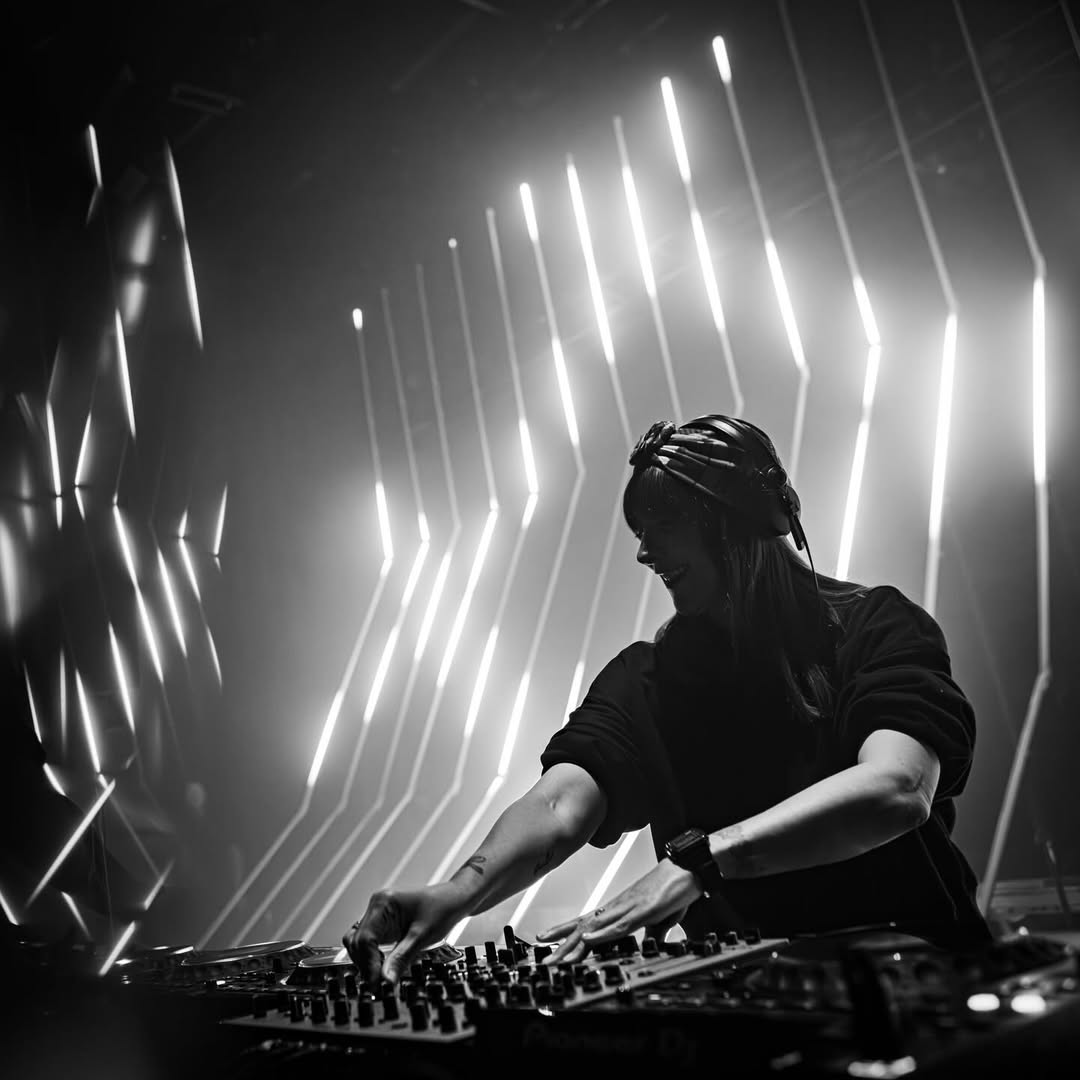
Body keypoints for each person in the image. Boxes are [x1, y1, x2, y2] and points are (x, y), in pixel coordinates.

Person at [343, 414, 991, 984]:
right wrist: (457, 895)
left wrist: (702, 864)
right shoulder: (647, 678)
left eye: (662, 526)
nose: (644, 552)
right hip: (752, 998)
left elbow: (897, 788)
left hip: (920, 984)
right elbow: (559, 802)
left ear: (732, 524)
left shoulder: (878, 628)